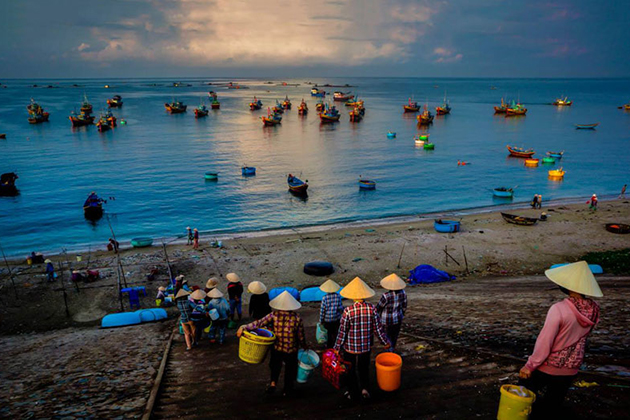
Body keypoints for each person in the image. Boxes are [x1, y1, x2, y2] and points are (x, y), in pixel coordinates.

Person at [519, 261, 602, 419]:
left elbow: (545, 342)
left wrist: (530, 366)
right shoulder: (595, 309)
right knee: (553, 404)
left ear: (568, 286)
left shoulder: (558, 309)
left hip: (550, 365)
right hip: (572, 366)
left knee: (524, 392)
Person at [237, 291, 307, 396]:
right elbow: (300, 336)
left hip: (277, 347)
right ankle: (287, 390)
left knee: (275, 366)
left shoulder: (274, 315)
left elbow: (258, 323)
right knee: (290, 369)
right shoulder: (297, 318)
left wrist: (244, 327)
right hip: (291, 349)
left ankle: (273, 383)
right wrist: (304, 345)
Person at [334, 277, 391, 400]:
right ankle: (365, 390)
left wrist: (336, 348)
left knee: (350, 370)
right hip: (365, 347)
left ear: (353, 297)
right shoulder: (372, 309)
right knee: (364, 369)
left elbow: (342, 332)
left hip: (350, 348)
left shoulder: (348, 311)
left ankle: (353, 392)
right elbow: (378, 329)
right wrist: (385, 342)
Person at [376, 273, 408, 348]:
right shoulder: (403, 293)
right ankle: (392, 348)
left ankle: (388, 351)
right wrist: (402, 314)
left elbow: (379, 307)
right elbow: (404, 306)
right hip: (398, 318)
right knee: (394, 336)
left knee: (387, 337)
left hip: (386, 320)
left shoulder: (386, 296)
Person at [318, 279, 344, 349]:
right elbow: (341, 308)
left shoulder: (325, 298)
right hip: (336, 319)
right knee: (336, 333)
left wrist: (321, 321)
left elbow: (322, 311)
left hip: (327, 320)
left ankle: (329, 347)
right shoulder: (338, 296)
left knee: (329, 334)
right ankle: (337, 346)